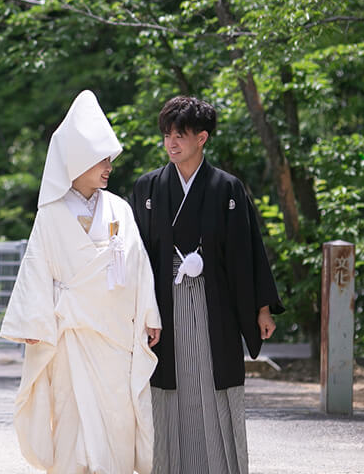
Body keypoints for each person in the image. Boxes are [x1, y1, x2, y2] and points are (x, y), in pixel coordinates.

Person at [1, 90, 162, 474]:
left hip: (115, 333)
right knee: (72, 419)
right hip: (70, 333)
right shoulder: (51, 214)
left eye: (109, 158)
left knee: (118, 416)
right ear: (75, 161)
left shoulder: (119, 208)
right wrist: (31, 324)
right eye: (100, 159)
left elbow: (139, 264)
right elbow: (37, 268)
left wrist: (150, 314)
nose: (109, 166)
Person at [130, 96, 283, 474]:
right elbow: (134, 257)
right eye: (167, 135)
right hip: (162, 304)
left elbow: (249, 251)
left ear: (202, 138)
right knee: (168, 385)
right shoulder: (148, 188)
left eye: (180, 135)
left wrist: (262, 307)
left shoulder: (227, 188)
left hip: (214, 304)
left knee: (213, 382)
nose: (171, 143)